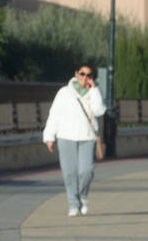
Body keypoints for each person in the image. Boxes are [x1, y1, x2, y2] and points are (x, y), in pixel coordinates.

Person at [43, 63, 106, 217]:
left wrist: (94, 90)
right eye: (82, 74)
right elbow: (54, 114)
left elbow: (99, 111)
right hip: (66, 136)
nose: (85, 77)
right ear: (77, 74)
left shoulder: (94, 92)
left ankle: (82, 196)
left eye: (89, 75)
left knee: (86, 171)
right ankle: (73, 204)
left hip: (87, 136)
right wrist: (49, 136)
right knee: (69, 173)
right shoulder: (64, 92)